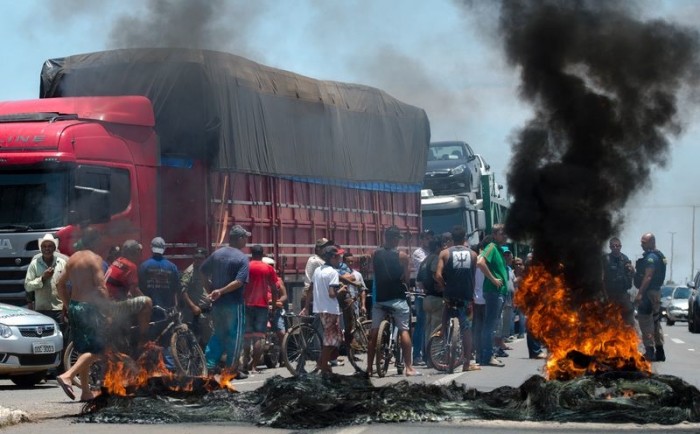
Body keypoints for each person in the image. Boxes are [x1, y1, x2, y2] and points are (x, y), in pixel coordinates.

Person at [55, 248, 110, 402]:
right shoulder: (95, 260)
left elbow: (59, 285)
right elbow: (101, 287)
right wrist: (108, 310)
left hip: (74, 306)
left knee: (82, 351)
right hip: (89, 309)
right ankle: (68, 375)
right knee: (98, 350)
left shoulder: (72, 260)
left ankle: (85, 392)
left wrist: (68, 305)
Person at [367, 226, 419, 377]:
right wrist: (406, 286)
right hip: (397, 298)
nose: (398, 241)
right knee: (404, 330)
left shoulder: (374, 254)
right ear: (394, 238)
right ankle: (409, 367)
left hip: (380, 299)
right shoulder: (402, 256)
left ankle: (370, 368)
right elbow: (406, 278)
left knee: (374, 332)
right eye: (398, 238)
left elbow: (375, 273)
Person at [200, 225, 250, 378]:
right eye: (245, 237)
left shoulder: (217, 254)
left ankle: (208, 365)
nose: (246, 240)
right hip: (234, 303)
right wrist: (220, 291)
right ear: (239, 239)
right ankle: (231, 369)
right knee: (235, 336)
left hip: (218, 304)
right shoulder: (241, 258)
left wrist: (211, 290)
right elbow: (239, 282)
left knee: (219, 334)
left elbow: (202, 272)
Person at [435, 225, 479, 371]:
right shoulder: (473, 254)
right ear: (465, 238)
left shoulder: (445, 253)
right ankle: (466, 363)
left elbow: (438, 275)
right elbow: (473, 275)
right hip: (466, 295)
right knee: (466, 328)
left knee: (446, 311)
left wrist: (444, 285)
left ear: (452, 239)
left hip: (450, 293)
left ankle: (443, 331)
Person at [104, 240, 153, 348]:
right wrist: (147, 301)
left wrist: (142, 296)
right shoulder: (131, 266)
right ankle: (143, 340)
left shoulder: (117, 261)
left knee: (143, 301)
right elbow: (132, 292)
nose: (140, 255)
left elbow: (134, 289)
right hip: (113, 306)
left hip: (104, 303)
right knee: (147, 303)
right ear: (133, 253)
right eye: (138, 252)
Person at [242, 245, 279, 373]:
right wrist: (273, 306)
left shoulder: (246, 266)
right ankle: (254, 366)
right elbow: (274, 289)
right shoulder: (268, 268)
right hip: (262, 305)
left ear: (251, 254)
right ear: (262, 254)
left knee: (247, 336)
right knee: (259, 336)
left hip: (247, 304)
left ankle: (245, 362)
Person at [476, 224, 508, 367]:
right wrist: (493, 279)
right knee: (490, 325)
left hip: (498, 292)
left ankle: (487, 355)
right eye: (502, 233)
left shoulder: (498, 249)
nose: (505, 236)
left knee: (491, 325)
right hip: (493, 292)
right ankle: (487, 356)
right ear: (494, 235)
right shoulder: (491, 247)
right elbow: (480, 262)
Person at [312, 245, 346, 373]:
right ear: (332, 257)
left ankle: (322, 363)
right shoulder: (332, 272)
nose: (340, 259)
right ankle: (323, 365)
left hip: (320, 308)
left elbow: (312, 287)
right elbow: (332, 293)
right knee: (330, 340)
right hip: (330, 309)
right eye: (338, 257)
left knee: (333, 338)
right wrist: (341, 290)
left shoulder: (318, 270)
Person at [24, 234, 68, 332]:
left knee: (61, 337)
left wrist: (66, 307)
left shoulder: (62, 263)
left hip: (58, 310)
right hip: (41, 310)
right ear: (41, 248)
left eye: (50, 246)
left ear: (54, 248)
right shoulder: (34, 264)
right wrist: (42, 279)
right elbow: (28, 286)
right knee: (43, 337)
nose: (47, 249)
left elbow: (68, 286)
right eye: (44, 246)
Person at [634, 232, 667, 362]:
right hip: (656, 292)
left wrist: (640, 293)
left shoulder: (651, 257)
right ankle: (660, 352)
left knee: (646, 321)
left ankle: (649, 351)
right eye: (641, 241)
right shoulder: (660, 255)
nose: (641, 244)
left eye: (644, 242)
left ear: (652, 242)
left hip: (648, 293)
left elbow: (648, 276)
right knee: (656, 321)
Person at [139, 237, 180, 321]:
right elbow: (176, 288)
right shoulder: (172, 267)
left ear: (151, 248)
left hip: (149, 310)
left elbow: (140, 287)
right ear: (164, 249)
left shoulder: (144, 266)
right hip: (167, 311)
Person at [181, 247, 214, 348]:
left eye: (201, 258)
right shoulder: (189, 272)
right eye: (196, 258)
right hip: (194, 314)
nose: (198, 260)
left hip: (207, 313)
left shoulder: (207, 271)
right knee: (193, 342)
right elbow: (182, 291)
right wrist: (192, 306)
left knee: (208, 341)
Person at [410, 229, 433, 366]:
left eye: (431, 237)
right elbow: (428, 266)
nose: (429, 240)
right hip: (421, 292)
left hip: (431, 292)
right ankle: (416, 355)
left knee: (431, 324)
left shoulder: (432, 252)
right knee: (421, 324)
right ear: (422, 239)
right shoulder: (418, 253)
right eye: (426, 238)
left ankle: (428, 354)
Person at [418, 238, 443, 360]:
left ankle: (427, 356)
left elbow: (419, 281)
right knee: (436, 329)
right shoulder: (436, 259)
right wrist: (442, 286)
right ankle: (435, 357)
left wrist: (425, 289)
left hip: (426, 298)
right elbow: (435, 274)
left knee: (427, 329)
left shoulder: (424, 261)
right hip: (436, 299)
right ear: (438, 247)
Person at [602, 237, 635, 327]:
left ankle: (629, 334)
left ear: (620, 246)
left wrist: (632, 270)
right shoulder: (606, 259)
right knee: (609, 317)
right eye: (613, 246)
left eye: (617, 246)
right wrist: (604, 294)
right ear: (610, 247)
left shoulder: (625, 258)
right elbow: (602, 277)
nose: (615, 248)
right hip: (610, 294)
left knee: (628, 315)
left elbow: (631, 274)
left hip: (622, 293)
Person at [300, 238, 334, 315]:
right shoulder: (316, 260)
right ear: (318, 249)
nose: (328, 249)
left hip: (314, 293)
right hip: (312, 294)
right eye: (326, 247)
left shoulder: (318, 259)